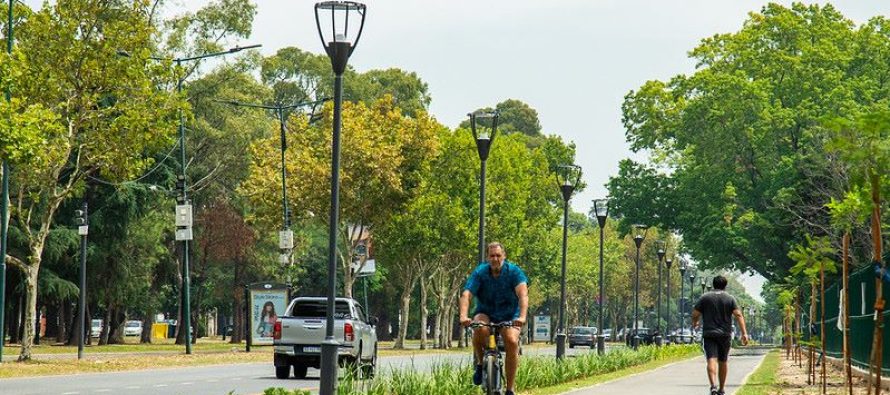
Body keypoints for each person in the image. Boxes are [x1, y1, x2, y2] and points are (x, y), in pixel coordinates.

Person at [459, 242, 529, 395]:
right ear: (487, 257)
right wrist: (463, 316)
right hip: (486, 312)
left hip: (510, 314)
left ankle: (510, 388)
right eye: (492, 256)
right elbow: (466, 295)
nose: (495, 259)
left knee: (511, 340)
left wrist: (522, 317)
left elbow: (523, 294)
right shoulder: (480, 272)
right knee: (479, 327)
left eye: (498, 255)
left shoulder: (514, 272)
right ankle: (479, 363)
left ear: (504, 256)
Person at [692, 275, 749, 395]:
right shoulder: (730, 298)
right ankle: (722, 389)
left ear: (713, 284)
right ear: (725, 285)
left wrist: (695, 322)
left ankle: (713, 386)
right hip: (725, 334)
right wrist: (744, 333)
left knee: (711, 359)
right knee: (723, 361)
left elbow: (696, 313)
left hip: (709, 334)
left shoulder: (705, 297)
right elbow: (738, 315)